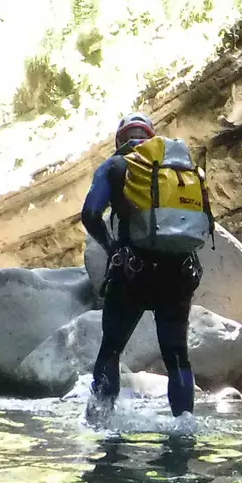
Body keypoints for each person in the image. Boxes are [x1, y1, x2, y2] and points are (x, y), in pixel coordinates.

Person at [80, 112, 204, 424]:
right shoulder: (177, 169)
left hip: (131, 272)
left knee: (111, 349)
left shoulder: (116, 165)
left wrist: (111, 247)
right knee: (177, 355)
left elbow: (90, 214)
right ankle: (185, 426)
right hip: (178, 272)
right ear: (152, 138)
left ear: (119, 140)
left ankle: (100, 426)